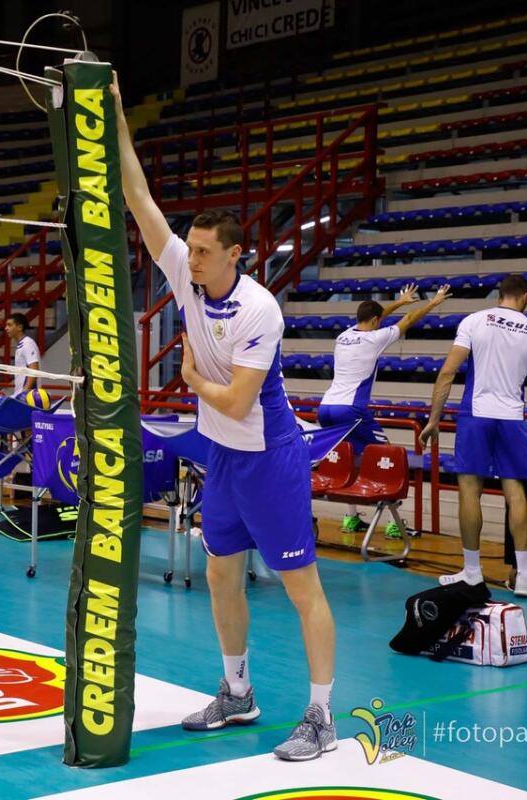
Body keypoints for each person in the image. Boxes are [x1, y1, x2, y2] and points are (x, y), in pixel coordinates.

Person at [114, 78, 337, 762]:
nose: (191, 254)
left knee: (302, 588)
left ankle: (322, 716)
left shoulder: (258, 309)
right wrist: (118, 115)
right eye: (191, 247)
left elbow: (238, 401)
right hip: (221, 457)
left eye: (204, 249)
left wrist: (188, 380)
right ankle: (237, 694)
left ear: (234, 255)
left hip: (269, 456)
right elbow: (139, 199)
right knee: (218, 574)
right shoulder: (186, 271)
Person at [419, 275, 527, 597]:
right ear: (526, 296)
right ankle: (524, 576)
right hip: (512, 418)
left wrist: (433, 419)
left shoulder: (474, 321)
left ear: (500, 295)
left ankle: (472, 572)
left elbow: (447, 373)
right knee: (516, 492)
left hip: (476, 414)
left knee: (470, 491)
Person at [319, 282, 451, 538]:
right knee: (388, 456)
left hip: (326, 407)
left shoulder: (344, 335)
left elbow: (377, 316)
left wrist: (399, 302)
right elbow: (410, 320)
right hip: (351, 409)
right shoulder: (375, 338)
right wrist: (432, 303)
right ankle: (394, 524)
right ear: (376, 320)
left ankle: (351, 518)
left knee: (350, 458)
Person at [4, 313, 41, 397]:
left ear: (20, 327)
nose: (6, 328)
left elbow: (34, 370)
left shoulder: (28, 343)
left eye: (9, 325)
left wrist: (24, 394)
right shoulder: (21, 345)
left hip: (28, 397)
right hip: (20, 395)